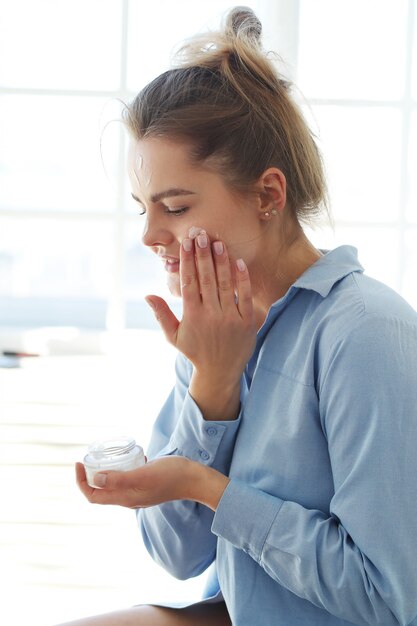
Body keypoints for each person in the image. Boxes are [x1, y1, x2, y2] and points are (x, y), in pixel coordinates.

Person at [59, 6, 417, 626]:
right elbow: (177, 554)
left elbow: (389, 599)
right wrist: (212, 386)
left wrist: (208, 487)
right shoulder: (214, 330)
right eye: (143, 206)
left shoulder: (366, 333)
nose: (149, 234)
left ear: (268, 196)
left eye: (174, 205)